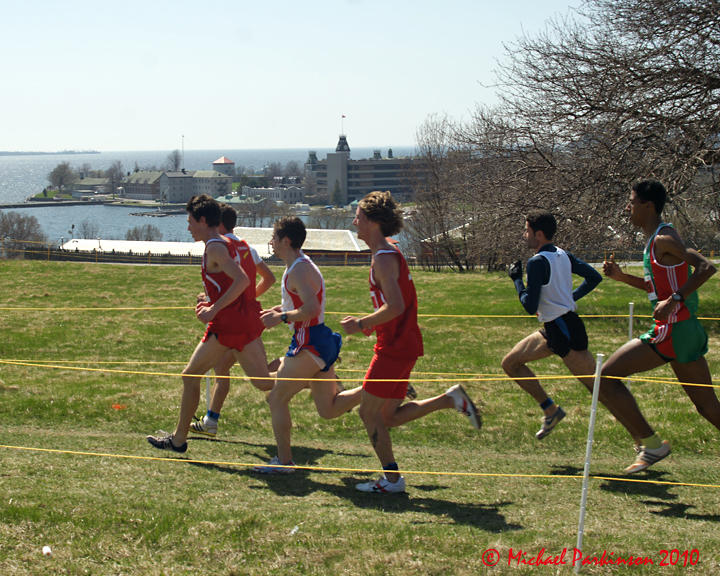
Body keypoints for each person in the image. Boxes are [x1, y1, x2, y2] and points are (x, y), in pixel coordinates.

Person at [341, 191, 480, 494]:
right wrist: (368, 327)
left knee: (368, 413)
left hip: (394, 347)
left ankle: (392, 481)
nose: (355, 222)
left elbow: (396, 306)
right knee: (387, 417)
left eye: (359, 218)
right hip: (400, 343)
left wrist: (361, 324)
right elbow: (393, 306)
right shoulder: (387, 252)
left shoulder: (384, 258)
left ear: (374, 223)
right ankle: (451, 399)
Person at [602, 179, 720, 473]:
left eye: (631, 202)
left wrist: (675, 300)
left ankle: (651, 445)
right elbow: (657, 289)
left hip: (673, 329)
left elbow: (706, 267)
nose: (627, 208)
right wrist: (621, 277)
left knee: (605, 378)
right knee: (708, 407)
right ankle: (650, 444)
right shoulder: (656, 238)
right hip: (685, 330)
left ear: (648, 205)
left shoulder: (663, 239)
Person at [146, 194, 270, 453]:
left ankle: (178, 440)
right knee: (263, 382)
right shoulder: (226, 243)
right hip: (241, 323)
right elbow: (235, 282)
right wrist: (211, 298)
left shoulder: (215, 246)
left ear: (203, 220)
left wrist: (213, 308)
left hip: (228, 327)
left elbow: (242, 281)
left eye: (190, 221)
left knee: (190, 375)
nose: (188, 226)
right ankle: (308, 376)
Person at [254, 216, 363, 473]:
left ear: (287, 241)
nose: (271, 243)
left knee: (277, 398)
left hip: (309, 342)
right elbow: (303, 304)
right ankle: (383, 388)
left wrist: (281, 317)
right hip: (318, 341)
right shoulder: (298, 266)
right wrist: (279, 310)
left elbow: (311, 309)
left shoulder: (300, 269)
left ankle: (284, 462)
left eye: (275, 238)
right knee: (328, 409)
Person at [502, 211, 602, 440]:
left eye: (526, 230)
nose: (524, 234)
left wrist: (516, 279)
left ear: (538, 234)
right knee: (510, 364)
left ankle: (644, 440)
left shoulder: (537, 262)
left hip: (564, 332)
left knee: (600, 390)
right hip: (554, 327)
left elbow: (529, 305)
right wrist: (569, 298)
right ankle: (550, 410)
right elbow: (594, 278)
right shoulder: (563, 254)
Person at [190, 203, 276, 437]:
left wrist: (231, 302)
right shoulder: (245, 246)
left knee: (257, 378)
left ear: (215, 222)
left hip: (233, 321)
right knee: (230, 369)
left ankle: (306, 372)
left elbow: (238, 282)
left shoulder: (220, 246)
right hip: (245, 316)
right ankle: (211, 420)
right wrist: (246, 299)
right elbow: (268, 278)